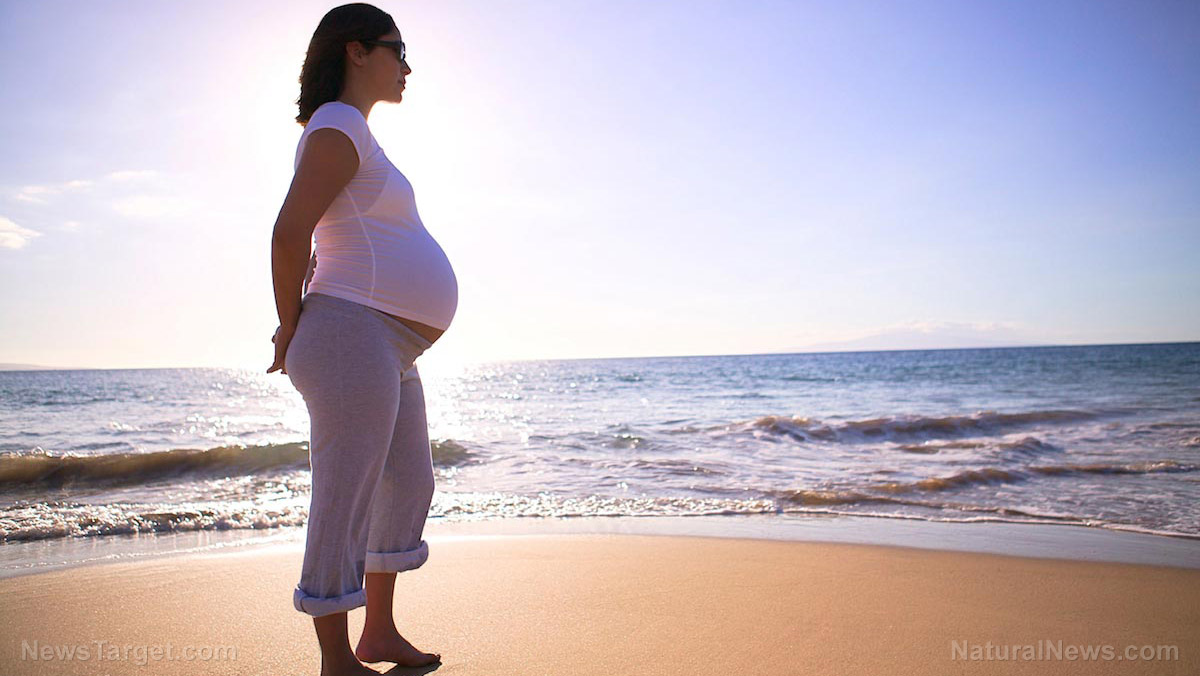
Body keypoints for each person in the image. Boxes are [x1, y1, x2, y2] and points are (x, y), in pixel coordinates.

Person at [267, 4, 455, 674]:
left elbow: (327, 234)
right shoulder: (339, 124)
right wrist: (291, 324)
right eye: (397, 50)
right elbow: (289, 231)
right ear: (356, 50)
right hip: (353, 330)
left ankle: (378, 634)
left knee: (406, 482)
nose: (407, 66)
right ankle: (335, 658)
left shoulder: (352, 132)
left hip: (387, 340)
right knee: (345, 495)